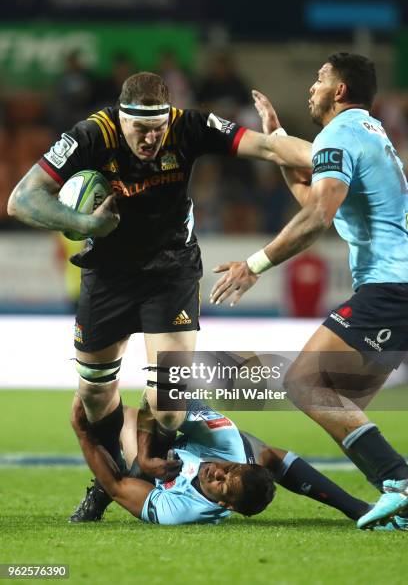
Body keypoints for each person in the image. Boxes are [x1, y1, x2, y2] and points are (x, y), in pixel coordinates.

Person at [6, 71, 297, 521]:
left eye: (158, 128)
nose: (151, 138)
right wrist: (85, 225)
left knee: (169, 409)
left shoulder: (189, 126)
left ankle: (157, 468)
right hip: (108, 276)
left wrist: (336, 157)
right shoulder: (91, 134)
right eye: (141, 129)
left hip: (171, 272)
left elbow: (268, 147)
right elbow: (21, 200)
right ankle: (113, 476)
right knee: (96, 398)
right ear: (121, 119)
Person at [209, 52, 408, 530]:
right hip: (395, 289)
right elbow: (317, 200)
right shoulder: (368, 134)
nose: (311, 87)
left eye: (320, 78)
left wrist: (254, 264)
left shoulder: (340, 134)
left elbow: (317, 216)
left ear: (341, 90)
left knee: (304, 383)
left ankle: (398, 482)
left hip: (391, 287)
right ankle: (398, 498)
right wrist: (277, 141)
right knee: (342, 400)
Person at [70, 395, 372, 526]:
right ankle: (355, 508)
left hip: (153, 475)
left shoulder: (182, 510)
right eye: (228, 471)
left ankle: (96, 499)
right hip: (194, 440)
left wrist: (83, 432)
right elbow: (161, 397)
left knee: (124, 424)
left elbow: (119, 486)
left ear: (226, 506)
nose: (216, 473)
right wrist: (150, 451)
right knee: (264, 452)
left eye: (223, 486)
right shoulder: (228, 444)